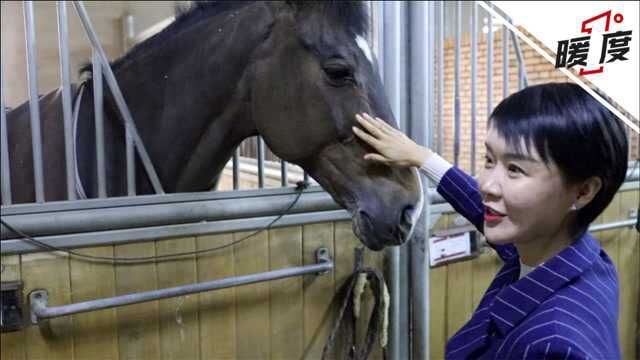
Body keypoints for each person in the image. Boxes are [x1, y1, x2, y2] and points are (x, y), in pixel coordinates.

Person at [352, 82, 628, 359]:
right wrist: (421, 157)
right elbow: (480, 206)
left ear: (583, 191)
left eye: (515, 169)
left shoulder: (552, 347)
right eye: (488, 160)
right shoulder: (576, 258)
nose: (486, 184)